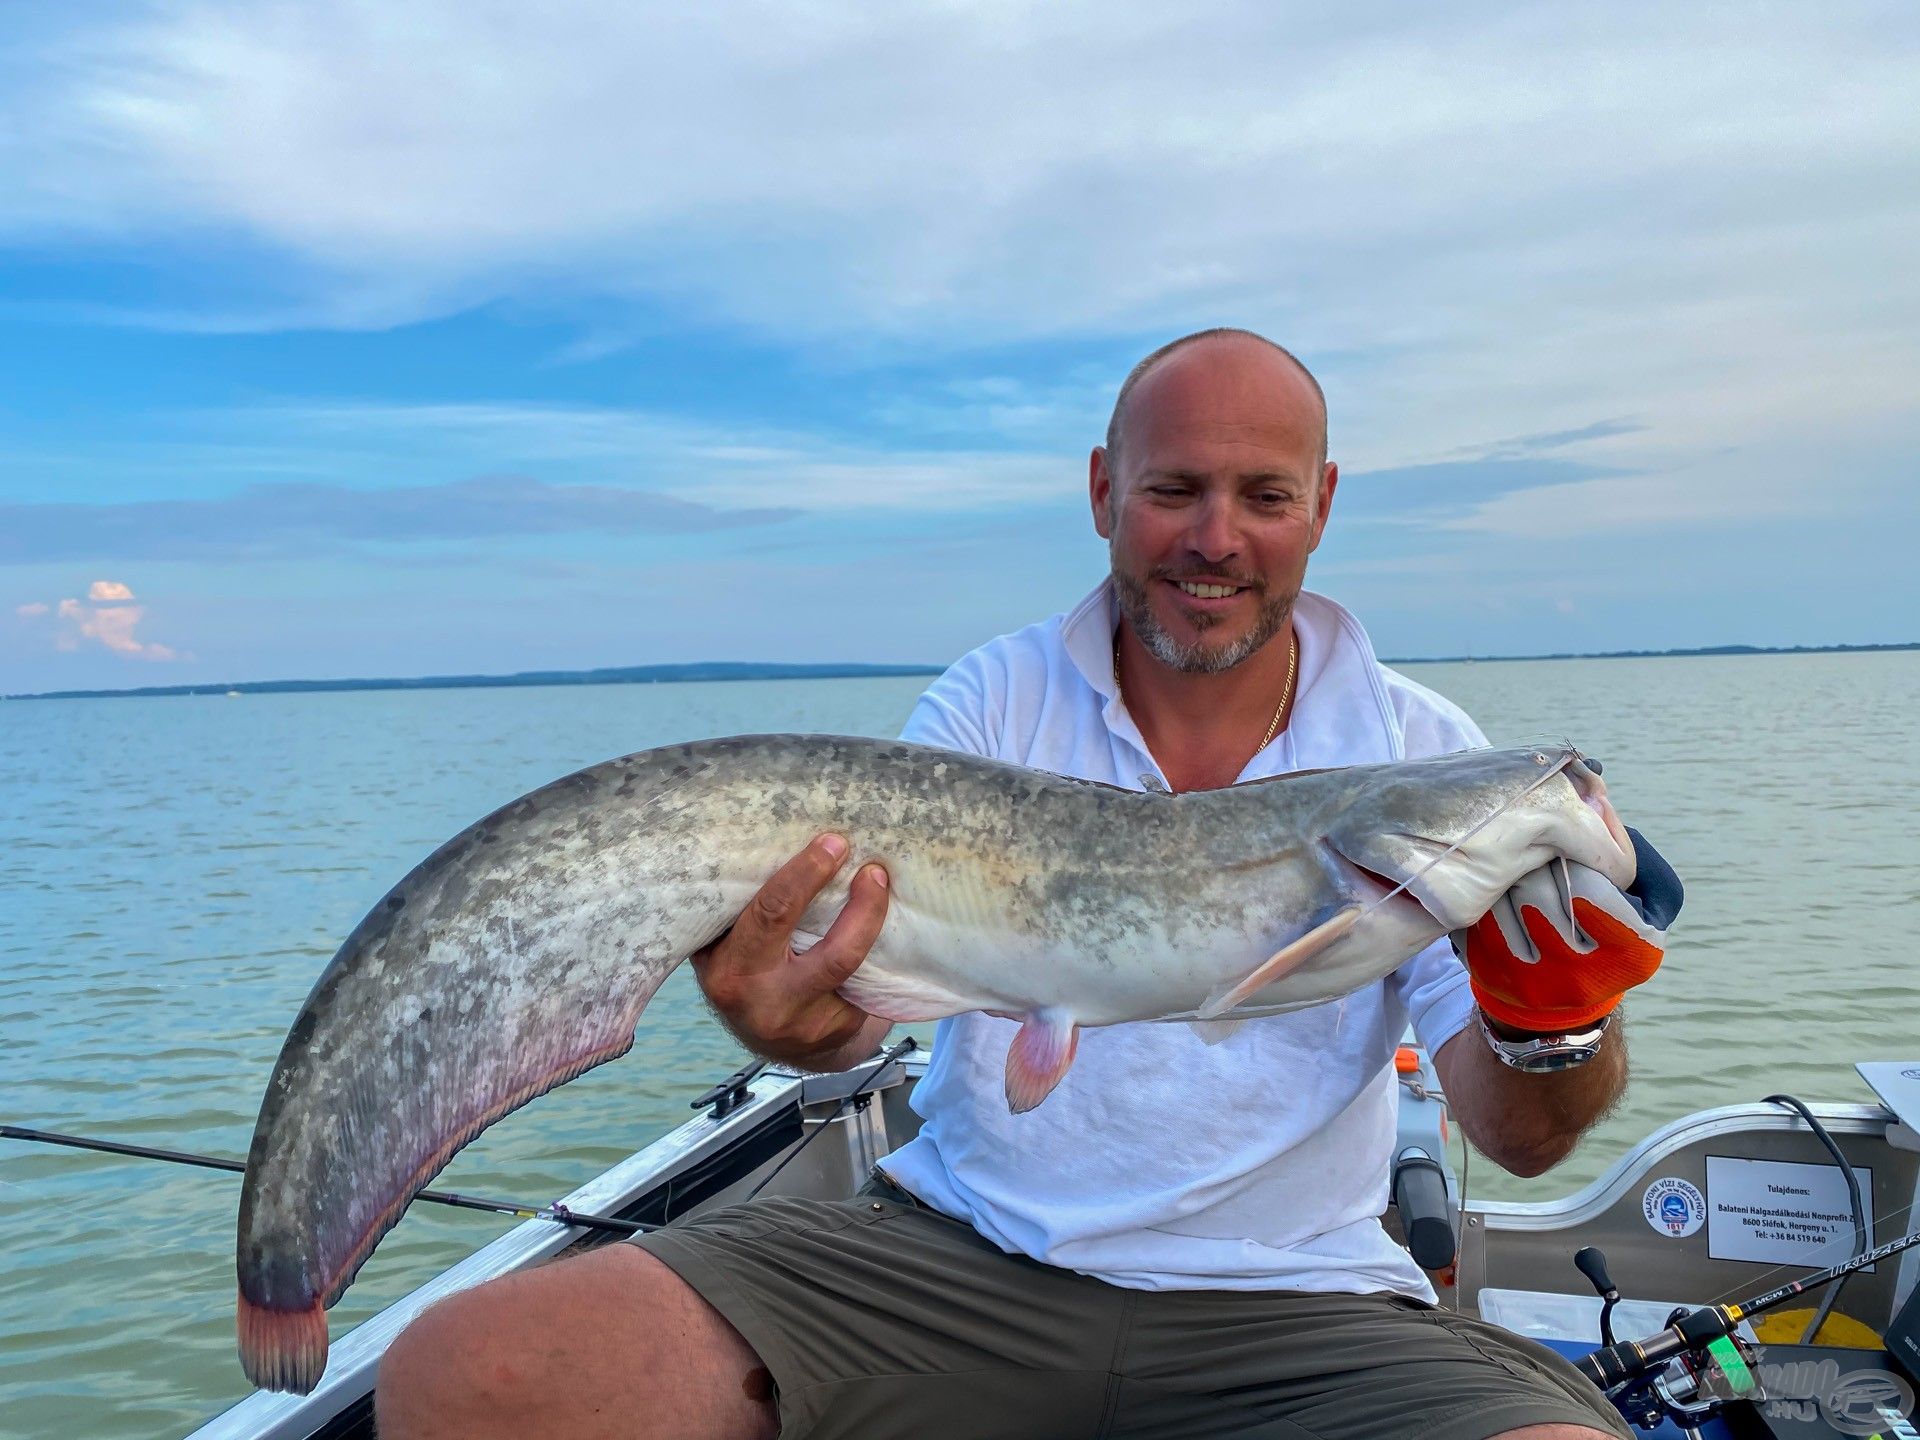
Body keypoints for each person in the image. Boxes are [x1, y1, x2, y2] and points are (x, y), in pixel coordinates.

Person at [377, 328, 1680, 1440]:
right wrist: (788, 1017)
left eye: (1263, 496)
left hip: (1302, 1299)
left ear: (1323, 504)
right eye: (1175, 489)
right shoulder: (994, 700)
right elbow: (851, 1031)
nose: (1216, 539)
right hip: (957, 1257)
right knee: (467, 1373)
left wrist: (1553, 1023)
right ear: (1105, 489)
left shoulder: (1425, 751)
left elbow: (1520, 1139)